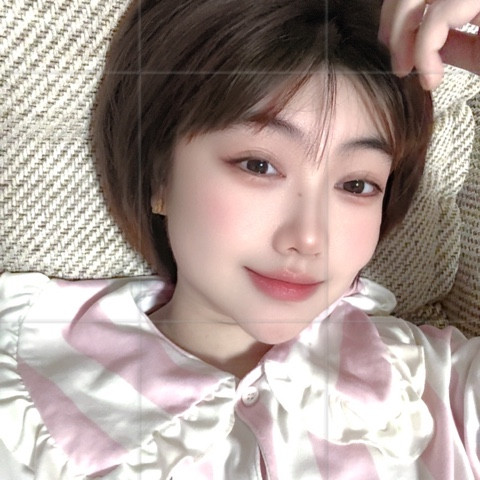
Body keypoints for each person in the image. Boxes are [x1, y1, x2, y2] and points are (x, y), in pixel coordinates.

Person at [0, 0, 478, 478]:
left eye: (356, 185)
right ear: (159, 176)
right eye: (258, 165)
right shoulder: (20, 398)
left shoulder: (438, 386)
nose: (309, 238)